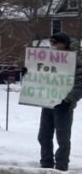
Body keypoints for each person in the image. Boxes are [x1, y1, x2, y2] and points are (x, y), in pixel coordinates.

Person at [39, 33, 82, 171]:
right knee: (43, 136)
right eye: (52, 43)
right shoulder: (49, 59)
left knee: (62, 139)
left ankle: (61, 166)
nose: (54, 46)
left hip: (64, 105)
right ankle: (46, 163)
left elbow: (80, 84)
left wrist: (68, 100)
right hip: (48, 102)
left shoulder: (75, 61)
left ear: (64, 44)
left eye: (56, 43)